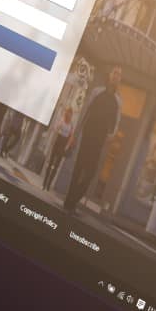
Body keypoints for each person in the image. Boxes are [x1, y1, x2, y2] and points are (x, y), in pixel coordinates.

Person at [61, 66, 124, 216]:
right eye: (115, 73)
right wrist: (75, 134)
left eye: (119, 75)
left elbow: (116, 122)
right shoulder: (97, 92)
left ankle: (72, 199)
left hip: (99, 141)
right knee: (78, 168)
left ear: (120, 80)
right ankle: (69, 203)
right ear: (109, 75)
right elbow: (85, 112)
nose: (116, 76)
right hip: (87, 136)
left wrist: (112, 134)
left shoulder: (118, 101)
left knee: (90, 173)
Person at [43, 105, 76, 189]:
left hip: (63, 144)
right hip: (58, 141)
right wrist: (53, 139)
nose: (68, 114)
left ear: (71, 115)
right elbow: (56, 130)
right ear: (66, 113)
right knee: (50, 162)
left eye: (70, 113)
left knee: (56, 165)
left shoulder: (71, 125)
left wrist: (67, 146)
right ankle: (44, 183)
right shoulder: (62, 121)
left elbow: (71, 136)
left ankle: (48, 185)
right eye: (67, 113)